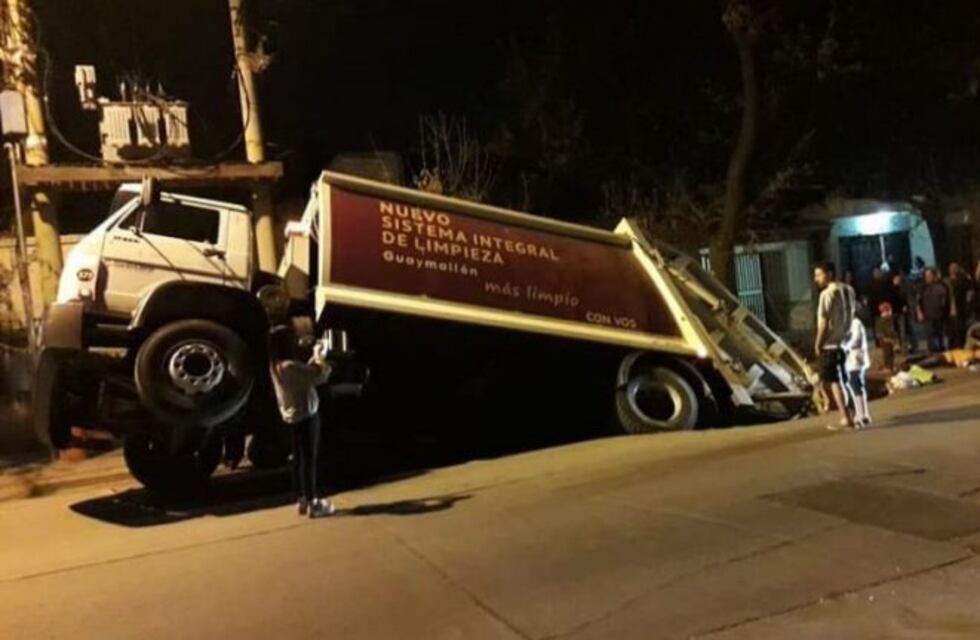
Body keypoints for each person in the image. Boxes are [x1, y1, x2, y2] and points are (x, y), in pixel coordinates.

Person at [259, 286, 335, 518]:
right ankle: (314, 502)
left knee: (298, 459)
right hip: (307, 414)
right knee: (309, 460)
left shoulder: (276, 366)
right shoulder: (290, 366)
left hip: (290, 415)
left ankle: (301, 499)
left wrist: (312, 356)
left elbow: (305, 371)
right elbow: (319, 375)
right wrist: (321, 354)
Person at [813, 262, 856, 431]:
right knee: (843, 380)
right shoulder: (849, 290)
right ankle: (854, 413)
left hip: (830, 344)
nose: (816, 279)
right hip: (844, 341)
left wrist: (818, 343)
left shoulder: (827, 294)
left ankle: (845, 417)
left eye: (819, 274)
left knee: (833, 382)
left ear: (829, 274)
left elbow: (824, 322)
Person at [844, 315, 872, 428]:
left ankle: (861, 415)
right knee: (856, 386)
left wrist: (843, 346)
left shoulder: (855, 323)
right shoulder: (850, 323)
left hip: (856, 357)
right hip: (853, 358)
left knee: (856, 386)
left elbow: (855, 339)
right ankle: (863, 414)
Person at [918, 268, 952, 353]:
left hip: (939, 313)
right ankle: (932, 350)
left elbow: (945, 300)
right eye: (926, 276)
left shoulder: (941, 287)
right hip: (927, 314)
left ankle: (941, 348)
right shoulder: (922, 288)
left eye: (929, 276)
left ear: (933, 276)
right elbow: (918, 301)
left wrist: (946, 310)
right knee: (929, 333)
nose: (927, 278)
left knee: (940, 333)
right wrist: (919, 313)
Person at [946, 262, 974, 348]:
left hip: (961, 306)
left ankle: (961, 344)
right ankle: (953, 345)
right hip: (948, 308)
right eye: (951, 268)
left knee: (961, 327)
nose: (953, 269)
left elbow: (970, 290)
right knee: (951, 328)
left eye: (954, 268)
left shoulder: (963, 279)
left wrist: (968, 301)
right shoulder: (946, 280)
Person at [892, 272, 917, 352]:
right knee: (904, 329)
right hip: (900, 311)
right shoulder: (896, 288)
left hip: (903, 311)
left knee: (905, 329)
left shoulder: (903, 287)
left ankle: (908, 347)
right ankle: (909, 346)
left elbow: (905, 298)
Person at [875, 301, 900, 371]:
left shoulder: (889, 320)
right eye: (889, 310)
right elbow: (880, 332)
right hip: (885, 340)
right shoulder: (882, 321)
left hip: (889, 339)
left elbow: (892, 331)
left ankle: (890, 366)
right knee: (887, 354)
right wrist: (885, 339)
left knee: (891, 354)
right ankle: (887, 366)